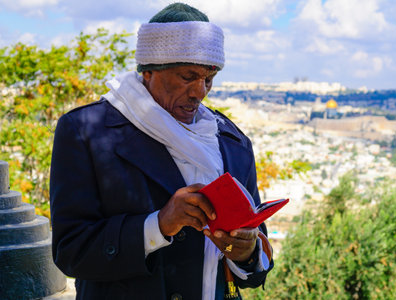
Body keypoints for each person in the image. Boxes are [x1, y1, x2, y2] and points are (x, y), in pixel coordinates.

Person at [50, 3, 273, 300]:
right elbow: (70, 251)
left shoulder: (232, 143)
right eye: (187, 77)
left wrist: (245, 251)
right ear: (150, 70)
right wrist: (159, 224)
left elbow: (253, 266)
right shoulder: (85, 131)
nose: (200, 92)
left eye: (208, 79)